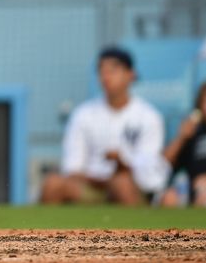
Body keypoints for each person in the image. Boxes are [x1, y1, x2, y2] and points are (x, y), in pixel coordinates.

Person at [40, 47, 169, 205]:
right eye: (101, 70)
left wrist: (122, 163)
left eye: (113, 70)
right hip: (92, 188)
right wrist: (102, 180)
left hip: (132, 189)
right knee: (52, 184)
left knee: (122, 183)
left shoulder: (149, 116)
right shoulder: (83, 114)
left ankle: (138, 229)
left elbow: (150, 173)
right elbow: (72, 168)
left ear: (131, 75)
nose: (106, 76)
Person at [162, 80, 206, 208]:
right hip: (191, 187)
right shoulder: (195, 132)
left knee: (205, 197)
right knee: (169, 197)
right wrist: (181, 137)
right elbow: (164, 162)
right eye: (204, 101)